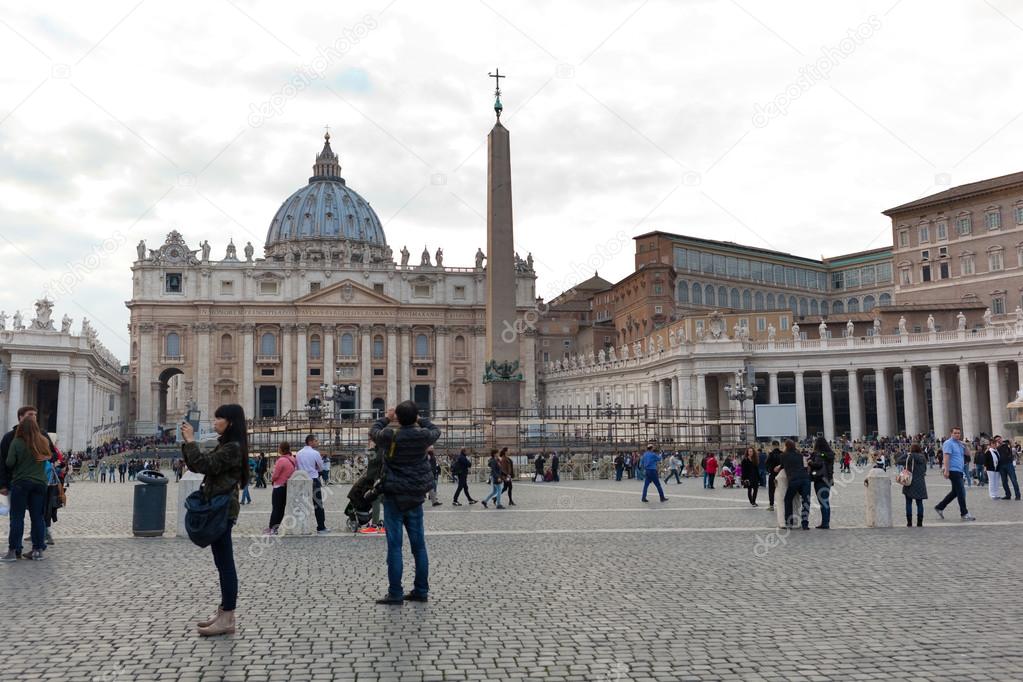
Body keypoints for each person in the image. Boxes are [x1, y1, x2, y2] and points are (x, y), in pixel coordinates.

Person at [181, 404, 249, 636]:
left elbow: (205, 465)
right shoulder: (227, 445)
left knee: (226, 565)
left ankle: (228, 616)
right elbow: (198, 464)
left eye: (218, 417)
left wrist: (191, 441)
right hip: (220, 508)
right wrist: (189, 444)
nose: (214, 421)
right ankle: (223, 612)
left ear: (230, 422)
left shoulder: (232, 448)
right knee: (222, 563)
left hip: (222, 509)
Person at [369, 400, 440, 605]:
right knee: (419, 547)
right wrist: (419, 419)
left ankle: (395, 593)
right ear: (415, 417)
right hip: (415, 497)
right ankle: (421, 590)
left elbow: (374, 430)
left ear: (398, 418)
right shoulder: (423, 436)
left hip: (393, 496)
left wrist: (387, 417)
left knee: (394, 547)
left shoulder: (391, 436)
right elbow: (435, 429)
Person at [2, 414, 52, 561]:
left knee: (17, 517)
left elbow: (9, 462)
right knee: (37, 517)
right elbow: (50, 456)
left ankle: (13, 551)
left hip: (21, 482)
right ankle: (37, 550)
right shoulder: (43, 441)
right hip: (40, 484)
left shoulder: (17, 442)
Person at [935, 427, 975, 521]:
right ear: (951, 434)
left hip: (959, 470)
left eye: (959, 433)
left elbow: (968, 454)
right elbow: (946, 457)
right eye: (955, 433)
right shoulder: (948, 443)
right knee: (961, 491)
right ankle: (964, 513)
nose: (957, 435)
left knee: (955, 492)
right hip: (953, 470)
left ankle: (940, 507)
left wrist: (965, 445)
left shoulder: (960, 444)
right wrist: (946, 470)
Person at [296, 435, 328, 534]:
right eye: (315, 441)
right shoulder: (315, 453)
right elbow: (321, 467)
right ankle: (321, 527)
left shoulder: (298, 453)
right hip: (314, 479)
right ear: (310, 442)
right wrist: (316, 469)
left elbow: (297, 467)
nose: (317, 442)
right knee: (318, 504)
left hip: (302, 479)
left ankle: (302, 527)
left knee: (302, 504)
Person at [776, 439, 811, 530]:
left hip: (794, 480)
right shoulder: (799, 455)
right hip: (805, 479)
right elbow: (803, 466)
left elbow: (783, 466)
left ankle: (789, 523)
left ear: (786, 446)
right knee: (806, 501)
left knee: (788, 500)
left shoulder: (783, 455)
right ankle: (805, 524)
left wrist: (777, 468)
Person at [265, 442, 297, 535]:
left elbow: (275, 475)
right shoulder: (292, 459)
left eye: (279, 448)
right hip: (287, 487)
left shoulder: (281, 460)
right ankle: (276, 528)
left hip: (279, 486)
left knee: (276, 508)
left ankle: (272, 528)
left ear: (282, 449)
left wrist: (272, 479)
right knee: (281, 508)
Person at [808, 437, 834, 529]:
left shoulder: (819, 454)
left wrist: (810, 462)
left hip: (820, 479)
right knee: (825, 501)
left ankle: (825, 523)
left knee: (823, 502)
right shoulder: (829, 454)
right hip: (828, 480)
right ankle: (826, 522)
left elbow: (818, 465)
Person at [899, 443, 927, 527]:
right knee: (920, 503)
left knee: (908, 503)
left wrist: (906, 454)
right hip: (920, 482)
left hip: (910, 482)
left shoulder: (910, 457)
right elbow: (925, 469)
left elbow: (898, 460)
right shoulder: (923, 458)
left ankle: (909, 522)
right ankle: (920, 522)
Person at [764, 441, 782, 511]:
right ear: (778, 445)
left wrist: (770, 470)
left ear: (773, 446)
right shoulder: (782, 454)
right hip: (781, 475)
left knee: (771, 491)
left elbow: (766, 464)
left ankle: (771, 506)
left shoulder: (771, 454)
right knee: (781, 490)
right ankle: (782, 505)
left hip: (773, 475)